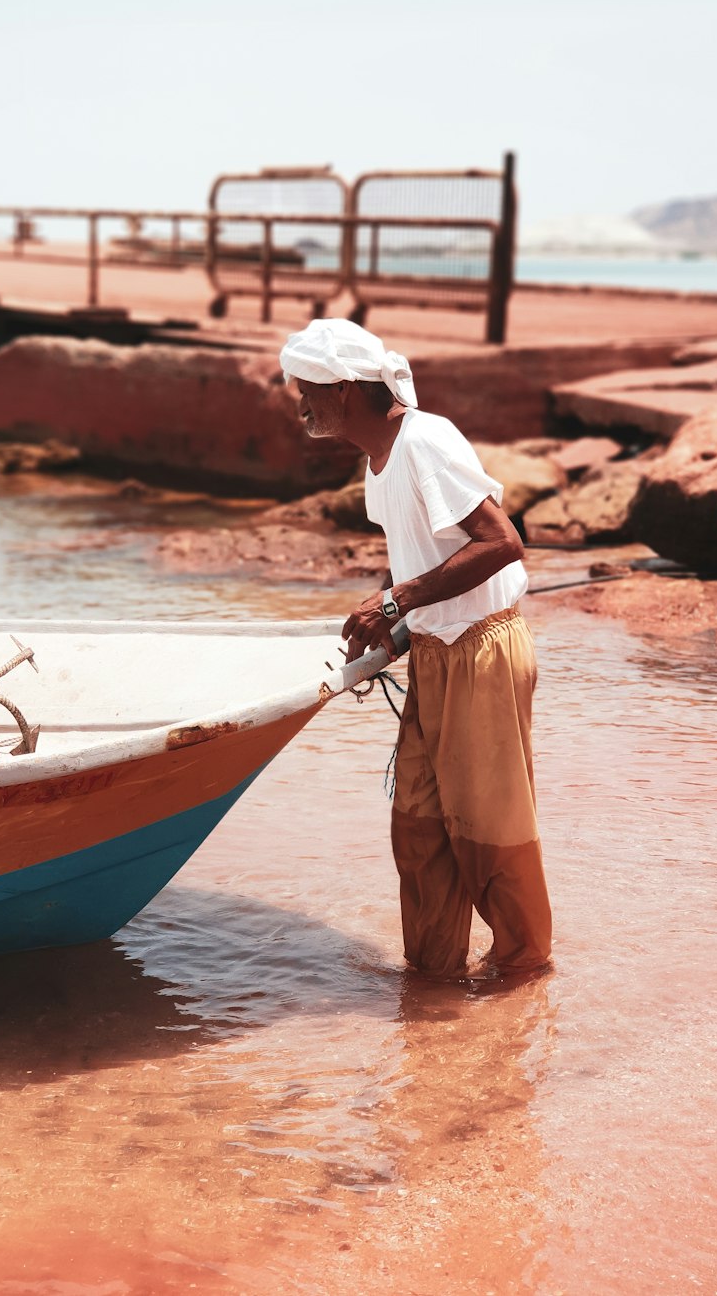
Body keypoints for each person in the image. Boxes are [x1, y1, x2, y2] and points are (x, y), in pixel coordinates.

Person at [279, 318, 552, 982]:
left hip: (482, 650)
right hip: (434, 650)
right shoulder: (378, 461)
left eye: (306, 389)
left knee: (490, 830)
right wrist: (394, 627)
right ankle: (433, 988)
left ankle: (523, 974)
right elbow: (418, 560)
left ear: (344, 389)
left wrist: (396, 601)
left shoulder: (424, 441)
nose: (300, 404)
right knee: (421, 829)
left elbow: (501, 543)